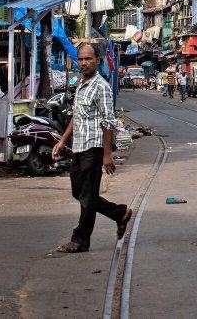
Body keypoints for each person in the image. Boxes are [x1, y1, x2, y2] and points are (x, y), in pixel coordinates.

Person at [52, 43, 132, 253]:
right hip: (79, 146)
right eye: (81, 59)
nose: (84, 63)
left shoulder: (101, 87)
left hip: (94, 148)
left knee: (87, 195)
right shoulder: (81, 83)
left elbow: (108, 122)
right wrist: (62, 141)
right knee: (79, 192)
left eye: (88, 59)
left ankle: (80, 240)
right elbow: (76, 117)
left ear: (98, 60)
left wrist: (107, 154)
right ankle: (118, 213)